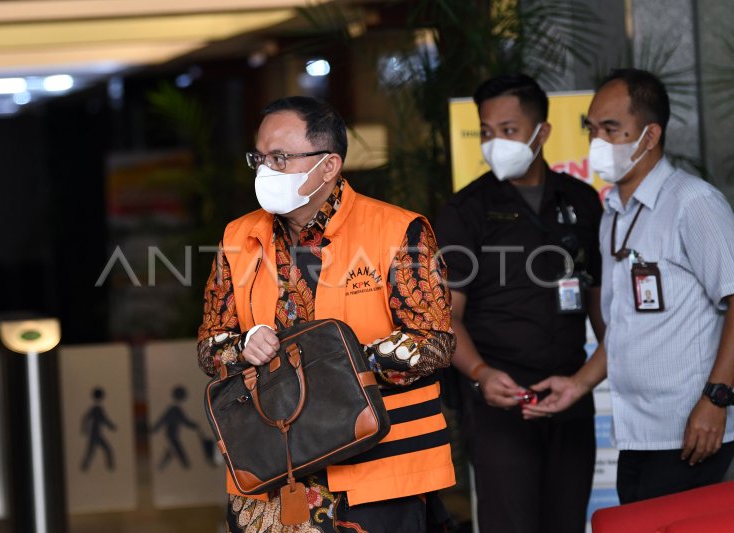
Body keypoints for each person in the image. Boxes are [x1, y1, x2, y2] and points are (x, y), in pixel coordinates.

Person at [197, 96, 456, 531]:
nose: (265, 169)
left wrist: (342, 360)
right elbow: (209, 348)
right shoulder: (238, 237)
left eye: (279, 157)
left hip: (379, 466)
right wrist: (243, 346)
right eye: (258, 157)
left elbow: (434, 341)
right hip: (274, 471)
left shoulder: (397, 230)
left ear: (329, 165)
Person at [525, 68, 734, 504]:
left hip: (694, 432)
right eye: (592, 129)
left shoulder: (693, 203)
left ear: (650, 134)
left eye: (611, 129)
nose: (597, 141)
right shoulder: (615, 213)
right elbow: (624, 328)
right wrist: (578, 384)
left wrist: (717, 399)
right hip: (638, 435)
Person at [435, 74, 605, 533]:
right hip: (498, 400)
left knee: (567, 522)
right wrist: (480, 374)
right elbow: (447, 317)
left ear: (541, 132)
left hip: (569, 393)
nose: (495, 143)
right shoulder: (464, 211)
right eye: (486, 132)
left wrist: (590, 377)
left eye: (508, 131)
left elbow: (604, 312)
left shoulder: (583, 202)